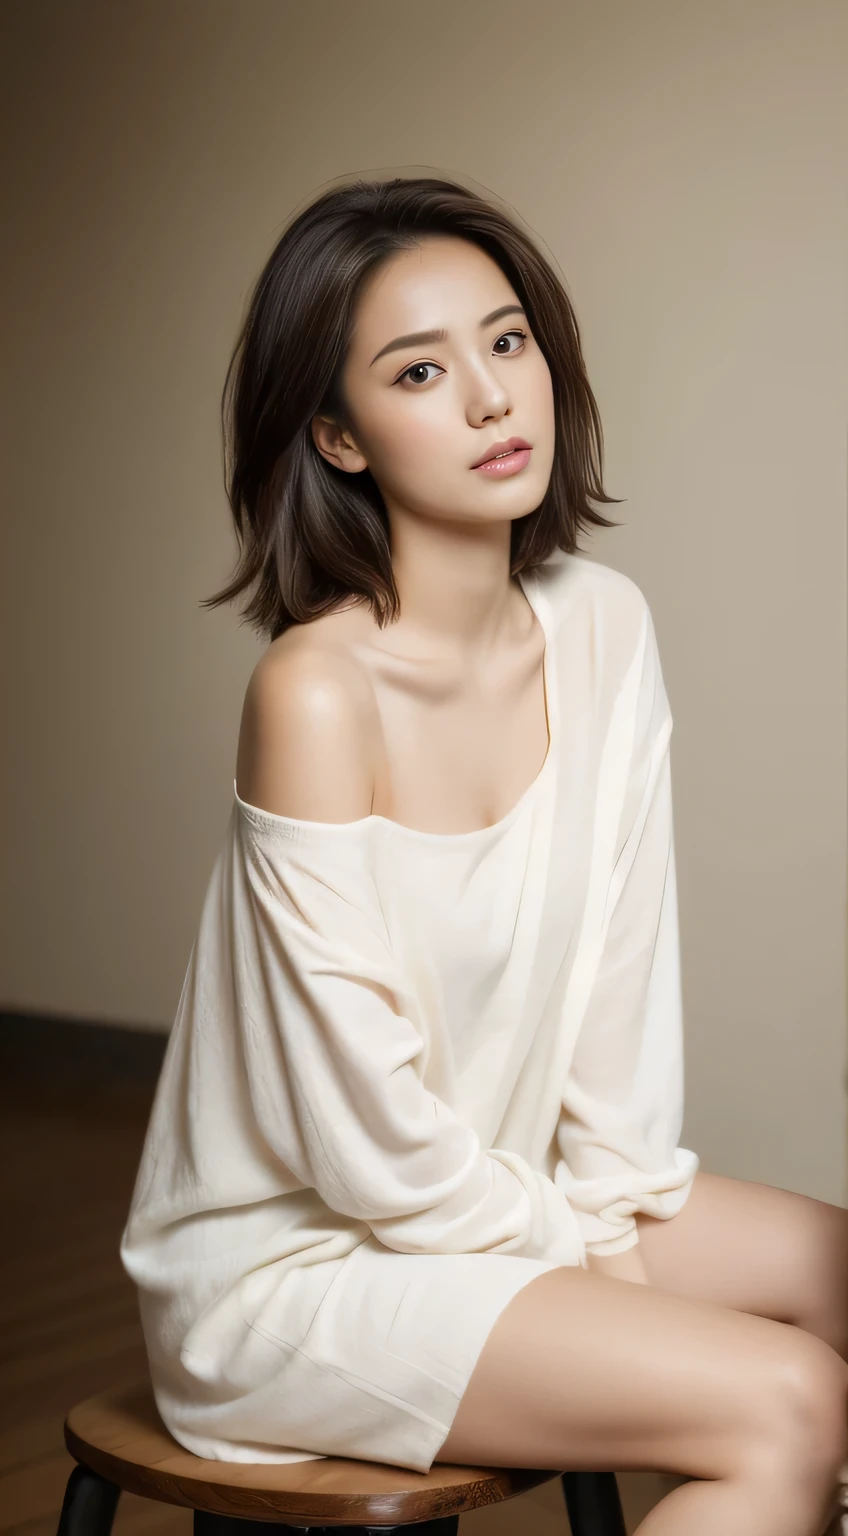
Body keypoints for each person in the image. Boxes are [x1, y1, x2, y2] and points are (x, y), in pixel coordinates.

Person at [120, 175, 848, 1535]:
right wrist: (585, 1265)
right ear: (338, 435)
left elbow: (617, 1017)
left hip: (506, 1189)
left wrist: (608, 1217)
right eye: (419, 369)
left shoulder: (603, 626)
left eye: (507, 342)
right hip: (300, 1263)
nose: (490, 398)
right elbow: (362, 1149)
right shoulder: (314, 694)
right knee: (789, 1397)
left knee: (835, 1269)